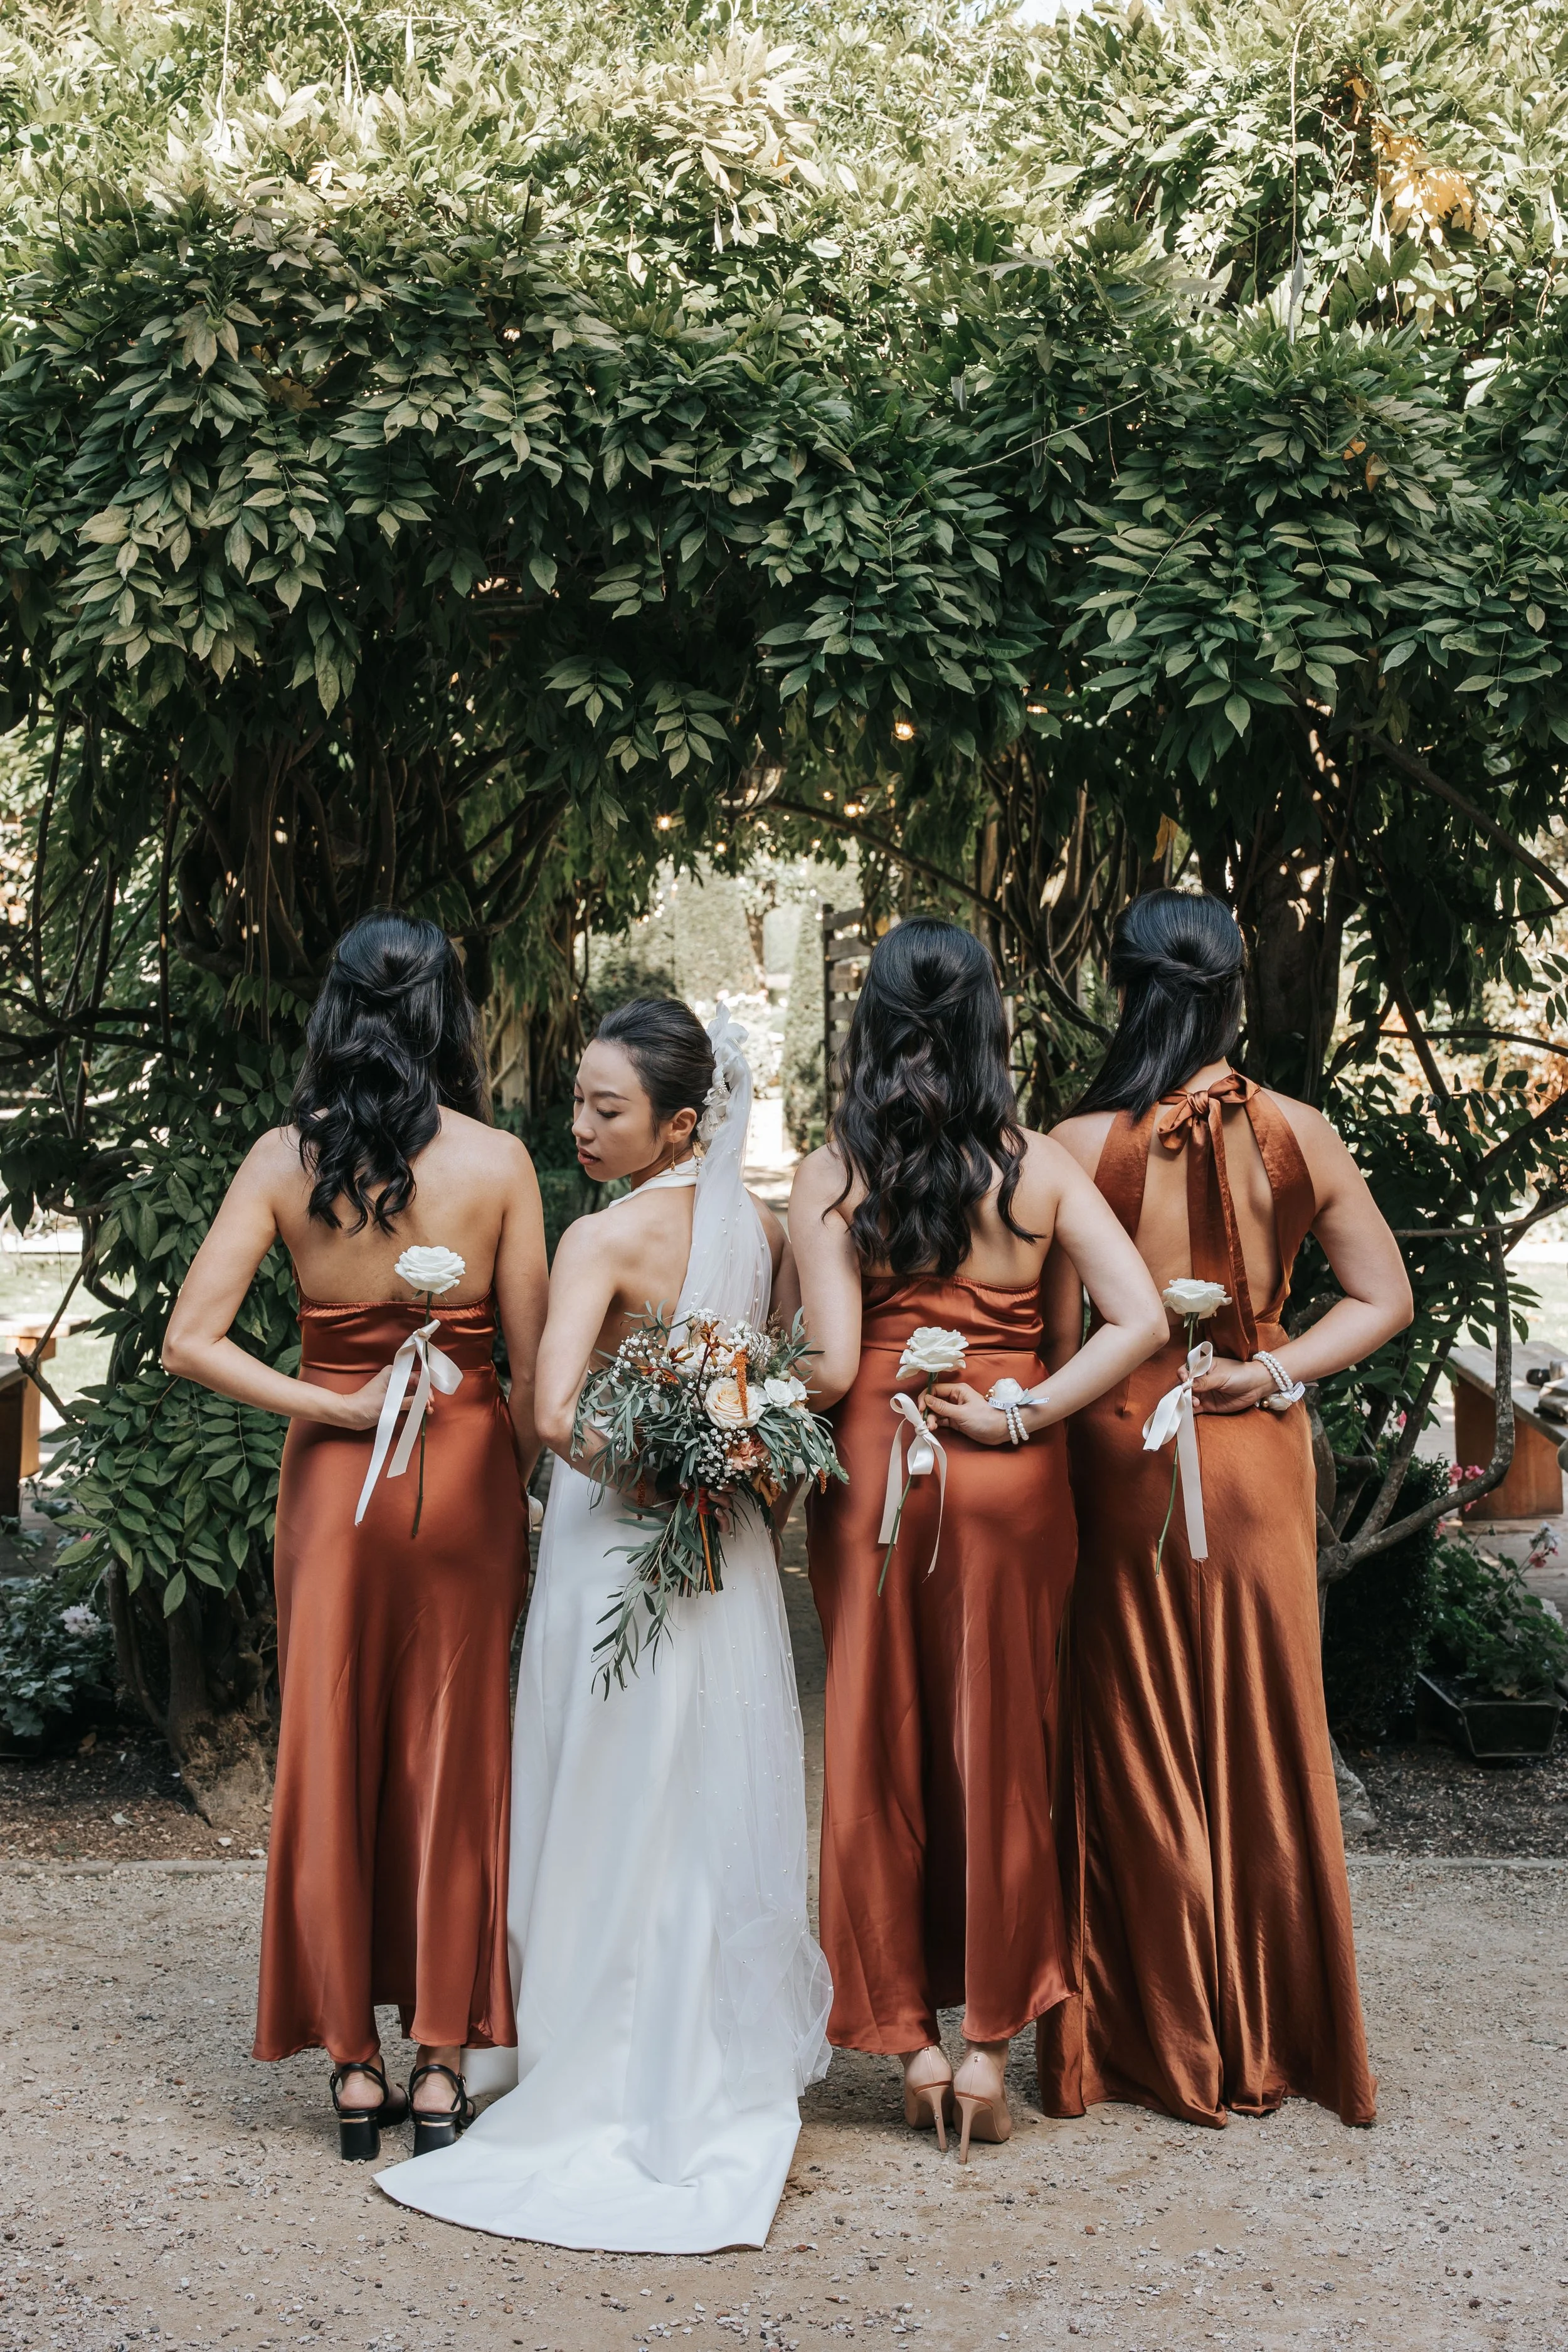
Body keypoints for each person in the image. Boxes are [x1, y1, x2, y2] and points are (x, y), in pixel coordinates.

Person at [378, 999, 830, 2252]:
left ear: (682, 1120)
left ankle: (581, 2046)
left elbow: (553, 1405)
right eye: (577, 1099)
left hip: (614, 1532)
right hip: (718, 1534)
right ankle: (688, 2041)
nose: (577, 1125)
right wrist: (727, 1468)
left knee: (610, 1783)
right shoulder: (763, 1232)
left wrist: (655, 1467)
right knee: (696, 1785)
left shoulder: (601, 1237)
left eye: (605, 1108)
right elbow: (785, 1381)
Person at [162, 913, 548, 2159]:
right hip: (466, 1474)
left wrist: (332, 1403)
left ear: (333, 1012)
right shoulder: (499, 1163)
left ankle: (352, 2065)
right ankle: (442, 2061)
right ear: (448, 1015)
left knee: (328, 1749)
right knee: (455, 1754)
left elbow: (191, 1341)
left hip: (334, 1487)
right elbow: (536, 1382)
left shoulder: (285, 1161)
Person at [789, 917, 1168, 2162]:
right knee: (1005, 1750)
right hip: (1009, 1476)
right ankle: (990, 2051)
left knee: (872, 1745)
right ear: (989, 1026)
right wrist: (1023, 1411)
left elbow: (836, 1362)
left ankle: (906, 2044)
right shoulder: (1040, 1167)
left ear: (870, 1025)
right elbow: (1136, 1318)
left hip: (873, 1473)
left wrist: (733, 1396)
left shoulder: (830, 1171)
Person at [1036, 889, 1413, 2129]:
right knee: (1261, 1730)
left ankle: (1154, 2032)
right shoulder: (1298, 1130)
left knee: (1132, 1734)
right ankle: (1271, 2034)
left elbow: (1054, 1342)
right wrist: (1273, 1366)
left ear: (1126, 987)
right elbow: (1381, 1298)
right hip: (1251, 1448)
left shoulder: (1080, 1142)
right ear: (1229, 994)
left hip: (1117, 1445)